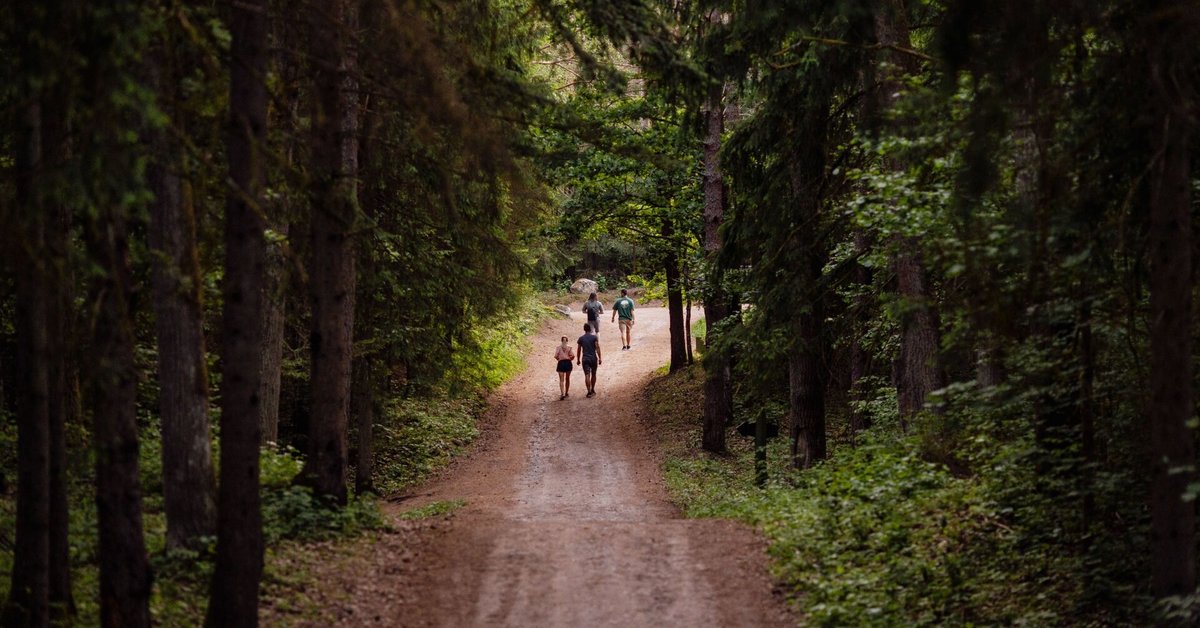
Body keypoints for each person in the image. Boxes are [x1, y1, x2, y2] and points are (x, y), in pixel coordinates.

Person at [576, 323, 602, 397]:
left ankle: (589, 391)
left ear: (584, 329)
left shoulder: (581, 338)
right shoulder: (594, 337)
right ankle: (593, 389)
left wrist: (578, 359)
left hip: (585, 358)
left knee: (587, 375)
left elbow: (578, 350)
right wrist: (600, 358)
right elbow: (597, 347)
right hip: (593, 358)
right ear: (590, 329)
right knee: (593, 374)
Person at [554, 335, 575, 400]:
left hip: (561, 363)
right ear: (567, 341)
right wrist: (569, 359)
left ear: (561, 340)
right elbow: (573, 356)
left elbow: (555, 356)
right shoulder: (569, 348)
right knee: (567, 378)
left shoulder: (558, 348)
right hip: (568, 363)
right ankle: (566, 392)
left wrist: (559, 359)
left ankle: (562, 393)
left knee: (561, 380)